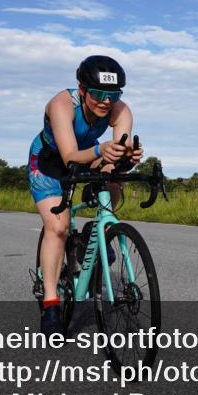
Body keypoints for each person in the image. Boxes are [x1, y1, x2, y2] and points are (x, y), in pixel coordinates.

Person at [28, 55, 142, 336]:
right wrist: (101, 151)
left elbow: (115, 154)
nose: (106, 101)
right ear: (82, 90)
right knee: (58, 227)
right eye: (99, 94)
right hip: (50, 162)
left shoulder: (121, 111)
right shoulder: (62, 104)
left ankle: (95, 232)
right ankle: (52, 303)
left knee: (114, 179)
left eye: (113, 95)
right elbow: (69, 157)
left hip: (90, 154)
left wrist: (126, 157)